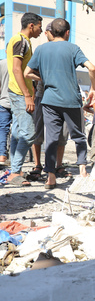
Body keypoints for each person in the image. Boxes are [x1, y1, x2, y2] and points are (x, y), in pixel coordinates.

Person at [25, 18, 95, 189]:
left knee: (51, 138)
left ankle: (50, 177)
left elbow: (27, 72)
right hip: (71, 100)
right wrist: (93, 88)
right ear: (67, 32)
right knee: (78, 135)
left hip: (49, 100)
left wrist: (43, 77)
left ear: (52, 32)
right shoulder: (73, 48)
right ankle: (82, 170)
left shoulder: (42, 49)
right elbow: (92, 68)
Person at [30, 22, 71, 181]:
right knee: (38, 132)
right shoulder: (41, 51)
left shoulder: (66, 50)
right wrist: (42, 77)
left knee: (61, 134)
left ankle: (58, 165)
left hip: (61, 97)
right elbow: (29, 70)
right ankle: (38, 165)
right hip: (42, 96)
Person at [6, 12, 43, 187]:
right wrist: (27, 95)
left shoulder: (23, 42)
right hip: (20, 94)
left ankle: (16, 170)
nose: (41, 30)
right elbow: (16, 69)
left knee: (18, 133)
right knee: (29, 134)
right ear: (31, 25)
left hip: (19, 92)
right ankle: (14, 173)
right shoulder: (21, 41)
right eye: (39, 26)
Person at [0, 59, 11, 167]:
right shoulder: (22, 62)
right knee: (19, 129)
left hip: (3, 100)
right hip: (19, 101)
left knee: (3, 128)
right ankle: (16, 157)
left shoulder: (2, 63)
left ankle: (2, 155)